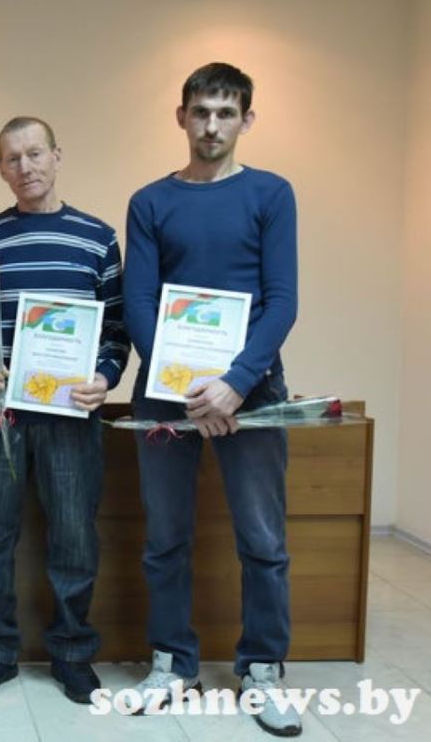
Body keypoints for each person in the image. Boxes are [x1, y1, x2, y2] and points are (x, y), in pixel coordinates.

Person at [123, 62, 300, 737]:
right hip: (166, 397)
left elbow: (282, 301)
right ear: (182, 117)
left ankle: (262, 671)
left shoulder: (272, 193)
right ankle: (173, 664)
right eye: (201, 111)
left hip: (251, 391)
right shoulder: (150, 202)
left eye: (226, 113)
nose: (212, 125)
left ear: (246, 120)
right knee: (164, 538)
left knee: (263, 540)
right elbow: (139, 303)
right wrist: (184, 388)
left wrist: (235, 383)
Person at [0, 117, 128, 703]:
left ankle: (73, 652)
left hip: (71, 414)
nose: (25, 167)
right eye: (12, 158)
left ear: (57, 155)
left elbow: (117, 330)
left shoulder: (97, 238)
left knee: (75, 537)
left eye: (35, 154)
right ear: (0, 169)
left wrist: (104, 378)